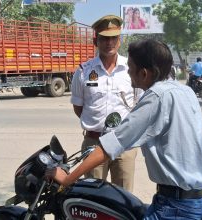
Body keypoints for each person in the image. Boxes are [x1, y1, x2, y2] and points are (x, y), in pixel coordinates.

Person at [48, 39, 202, 220]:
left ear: (143, 73)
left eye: (130, 67)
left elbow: (111, 145)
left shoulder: (156, 97)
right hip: (190, 197)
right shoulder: (184, 91)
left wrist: (67, 179)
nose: (127, 72)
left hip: (176, 206)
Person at [70, 15, 140, 192]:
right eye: (104, 39)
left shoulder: (131, 69)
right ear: (96, 41)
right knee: (93, 197)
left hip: (124, 143)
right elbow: (79, 107)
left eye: (113, 38)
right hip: (94, 142)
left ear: (119, 40)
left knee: (124, 197)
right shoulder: (83, 71)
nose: (109, 43)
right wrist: (97, 124)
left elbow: (138, 104)